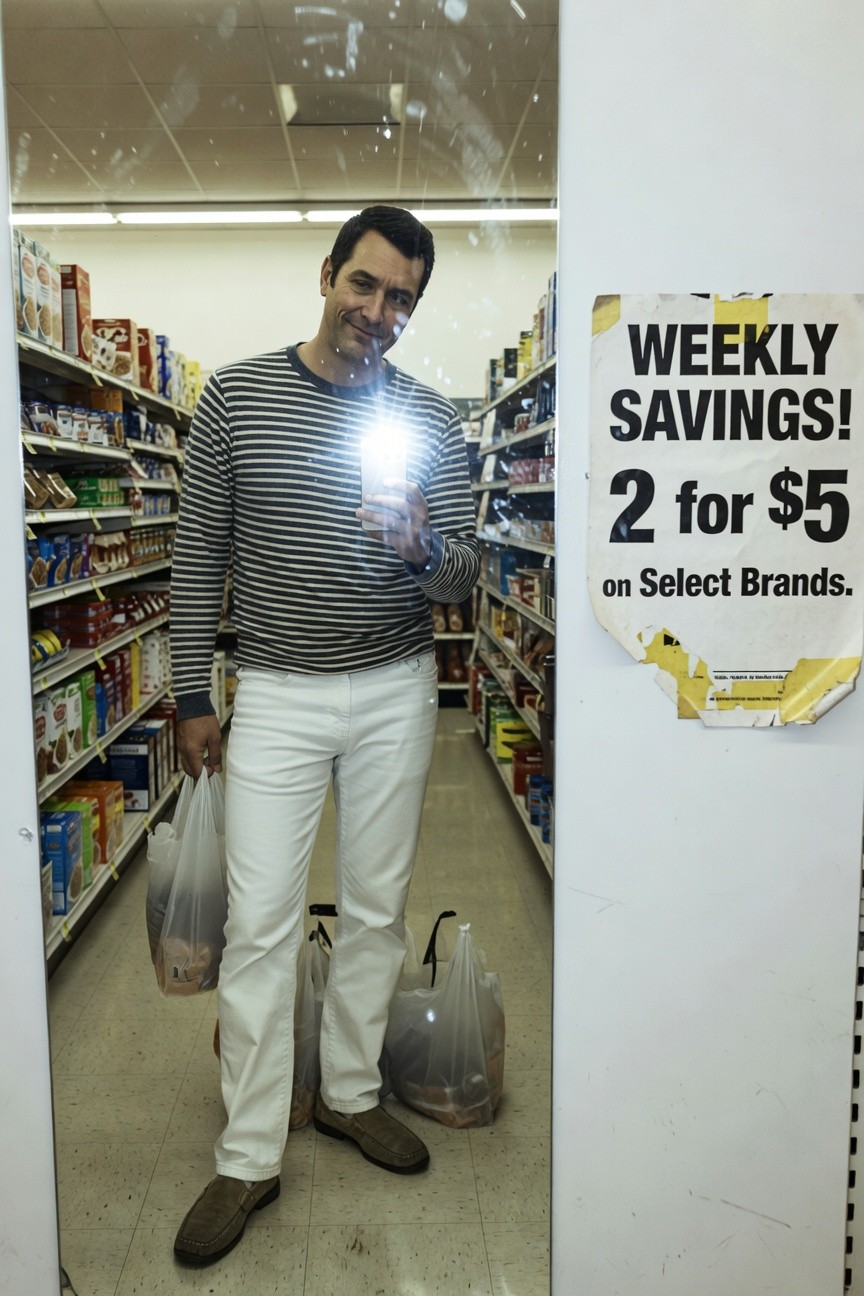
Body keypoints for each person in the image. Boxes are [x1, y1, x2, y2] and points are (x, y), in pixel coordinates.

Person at [168, 205, 480, 1266]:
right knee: (259, 924)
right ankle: (250, 1151)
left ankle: (349, 1093)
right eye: (364, 285)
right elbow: (197, 553)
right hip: (280, 692)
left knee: (379, 909)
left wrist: (418, 544)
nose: (377, 312)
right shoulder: (235, 398)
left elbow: (467, 577)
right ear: (327, 274)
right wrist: (189, 696)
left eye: (401, 298)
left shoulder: (434, 419)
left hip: (396, 685)